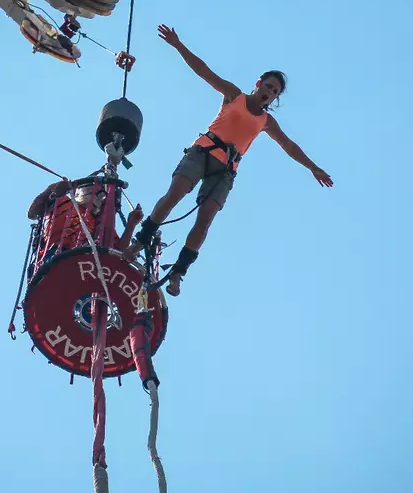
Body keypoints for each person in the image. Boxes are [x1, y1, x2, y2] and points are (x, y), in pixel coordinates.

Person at [129, 24, 333, 296]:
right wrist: (178, 45)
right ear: (258, 82)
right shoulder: (234, 95)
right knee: (175, 194)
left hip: (224, 171)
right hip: (203, 153)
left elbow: (289, 145)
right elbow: (204, 71)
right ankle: (140, 241)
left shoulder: (266, 121)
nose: (270, 93)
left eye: (275, 92)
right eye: (268, 86)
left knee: (205, 220)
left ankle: (178, 272)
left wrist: (313, 167)